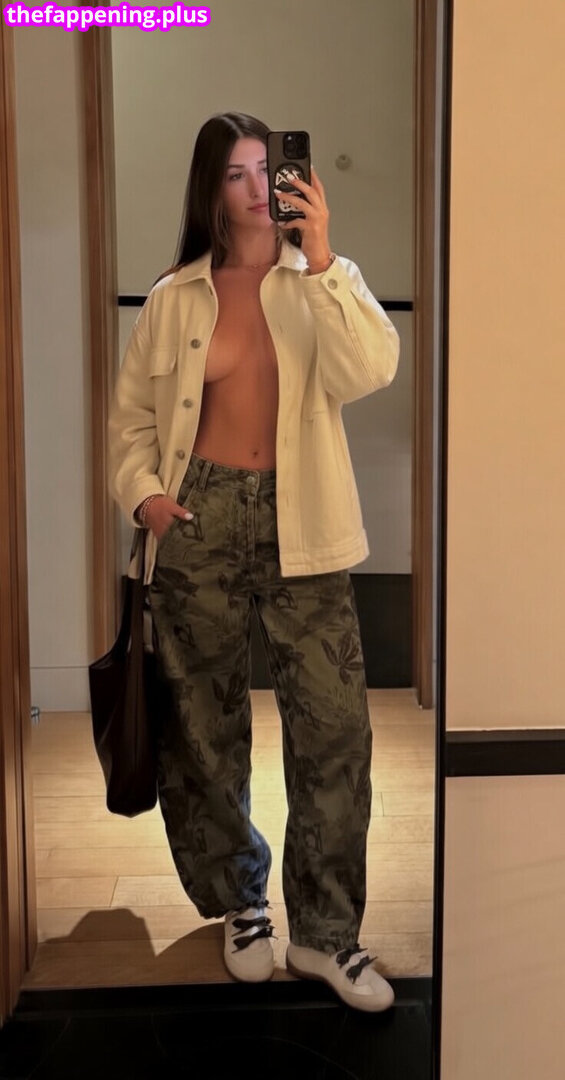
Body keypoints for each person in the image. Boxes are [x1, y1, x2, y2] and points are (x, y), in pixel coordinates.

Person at [108, 111, 400, 1012]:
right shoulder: (174, 297)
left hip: (305, 520)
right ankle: (241, 903)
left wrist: (322, 258)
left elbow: (371, 370)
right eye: (235, 174)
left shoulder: (325, 279)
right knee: (203, 724)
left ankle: (326, 933)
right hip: (197, 516)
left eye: (265, 170)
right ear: (211, 187)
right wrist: (145, 497)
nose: (255, 189)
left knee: (335, 731)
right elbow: (132, 421)